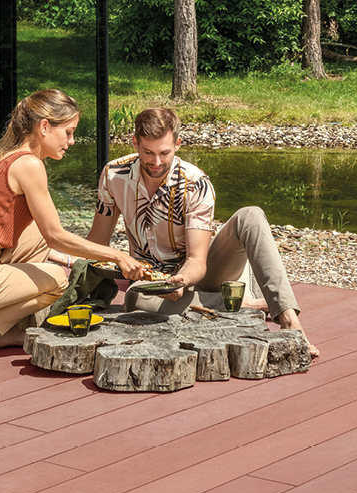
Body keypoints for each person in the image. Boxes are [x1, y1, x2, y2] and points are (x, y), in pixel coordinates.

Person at [0, 89, 144, 364]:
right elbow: (56, 236)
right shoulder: (29, 164)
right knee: (56, 280)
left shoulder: (7, 157)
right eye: (69, 132)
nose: (72, 141)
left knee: (36, 232)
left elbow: (42, 238)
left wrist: (73, 259)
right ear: (45, 127)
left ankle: (5, 331)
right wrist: (117, 256)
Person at [88, 107, 318, 358]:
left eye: (164, 153)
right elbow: (98, 243)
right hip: (152, 284)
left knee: (250, 215)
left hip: (202, 272)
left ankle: (288, 320)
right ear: (135, 143)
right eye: (147, 152)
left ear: (178, 143)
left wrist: (183, 281)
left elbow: (197, 260)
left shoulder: (195, 183)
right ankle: (239, 303)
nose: (156, 162)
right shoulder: (114, 175)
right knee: (134, 299)